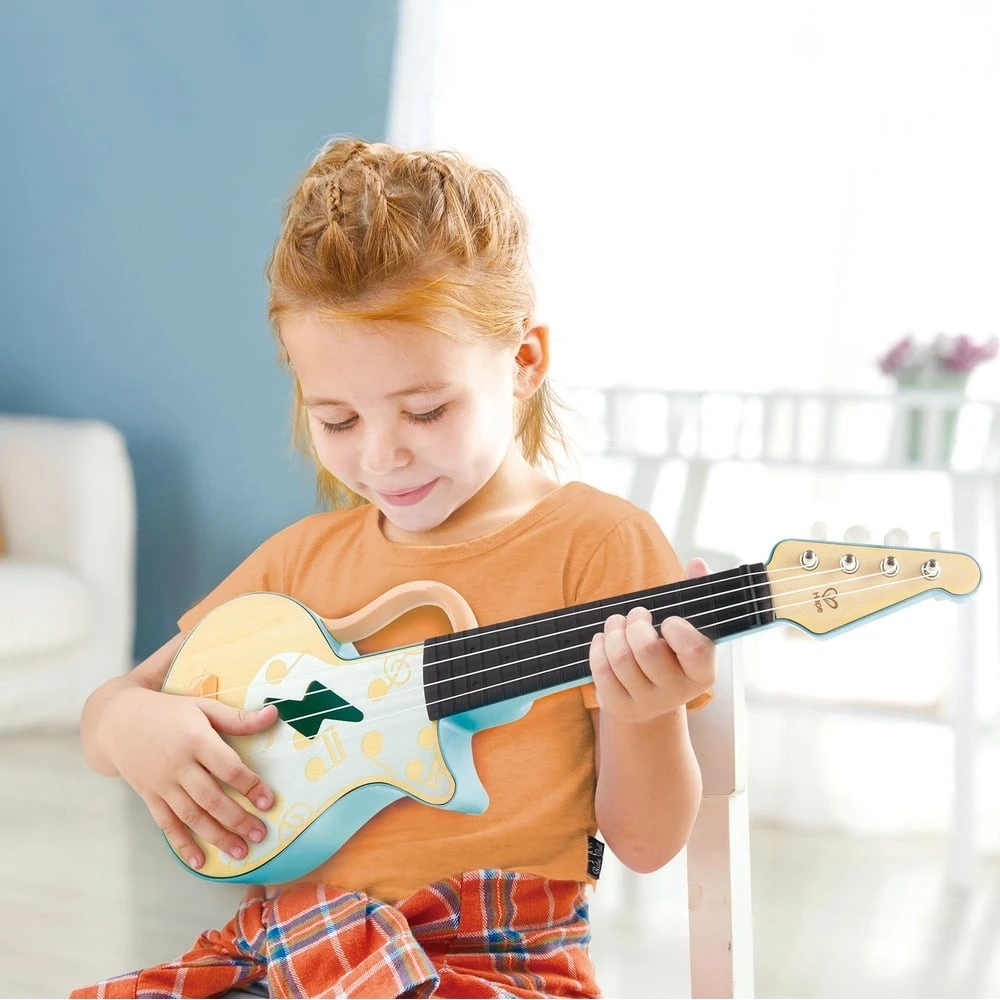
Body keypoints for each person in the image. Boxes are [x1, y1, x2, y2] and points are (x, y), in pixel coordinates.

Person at [72, 138, 716, 999]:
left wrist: (650, 712)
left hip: (497, 960)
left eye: (426, 410)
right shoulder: (299, 561)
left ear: (524, 362)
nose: (381, 456)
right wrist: (128, 725)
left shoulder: (599, 546)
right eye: (337, 421)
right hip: (291, 951)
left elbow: (646, 843)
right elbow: (109, 711)